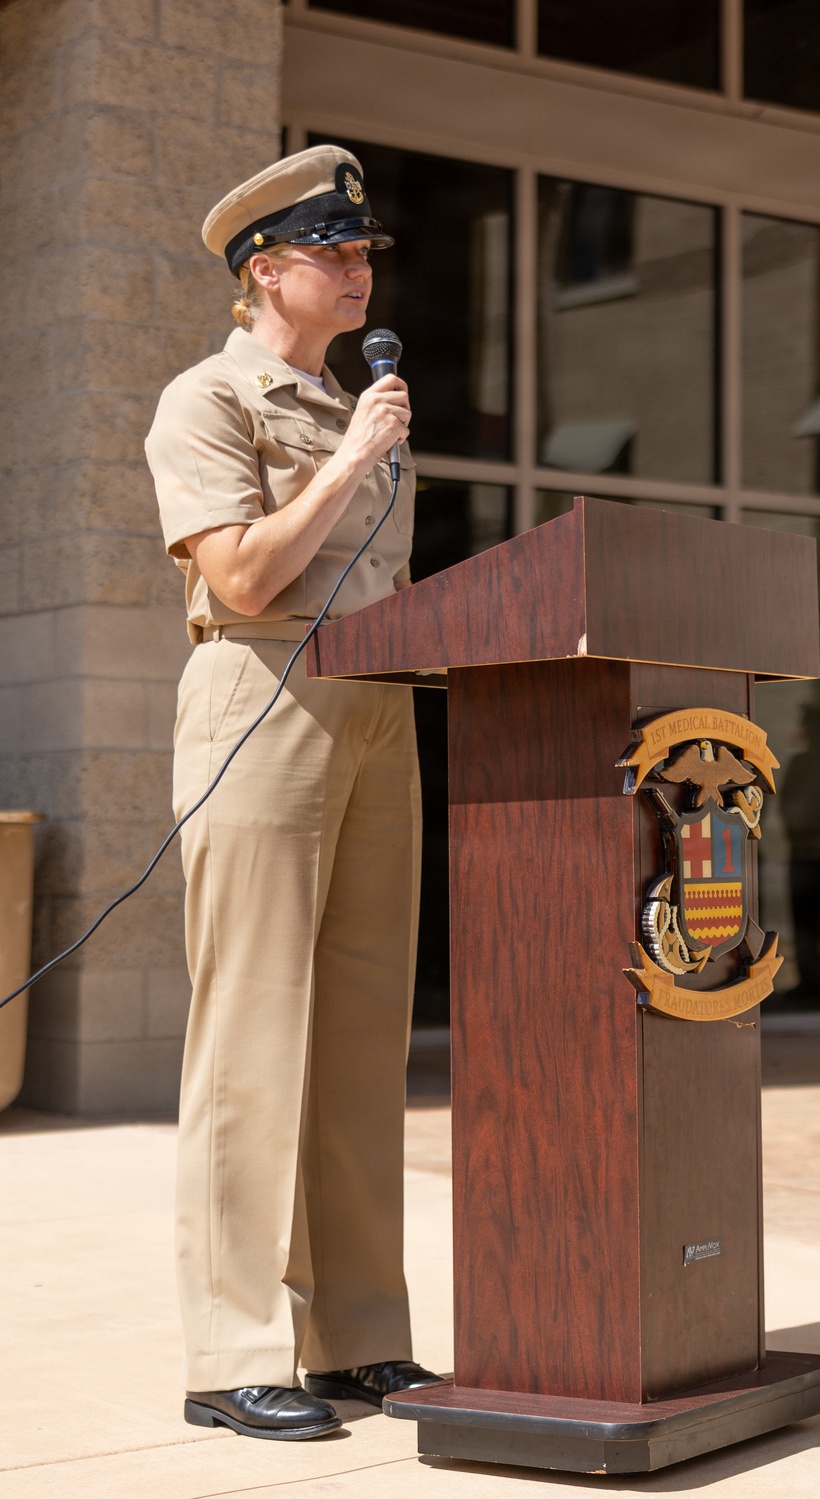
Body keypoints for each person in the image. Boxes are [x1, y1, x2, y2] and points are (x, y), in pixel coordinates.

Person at [145, 145, 440, 1441]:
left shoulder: (356, 405)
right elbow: (246, 577)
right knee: (253, 1034)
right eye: (338, 251)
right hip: (262, 701)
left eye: (366, 251)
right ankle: (231, 1352)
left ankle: (359, 1336)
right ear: (265, 269)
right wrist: (350, 457)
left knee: (362, 1040)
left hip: (380, 710)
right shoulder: (209, 398)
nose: (361, 269)